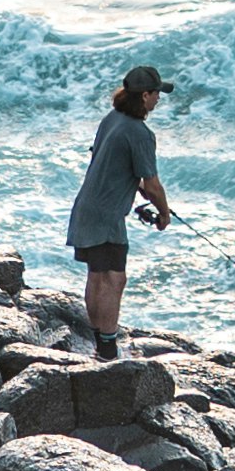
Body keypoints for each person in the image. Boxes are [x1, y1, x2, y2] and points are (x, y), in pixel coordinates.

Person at [65, 64, 174, 355]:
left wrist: (131, 183)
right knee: (114, 278)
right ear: (144, 96)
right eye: (156, 93)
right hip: (107, 216)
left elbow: (108, 160)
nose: (158, 99)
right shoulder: (140, 133)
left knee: (97, 275)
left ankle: (100, 341)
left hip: (87, 207)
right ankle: (108, 348)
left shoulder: (111, 119)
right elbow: (151, 185)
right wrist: (164, 213)